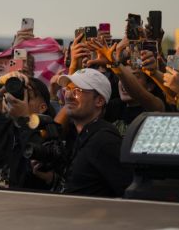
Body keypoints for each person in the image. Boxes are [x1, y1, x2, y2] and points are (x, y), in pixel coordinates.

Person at [51, 68, 132, 197]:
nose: (69, 95)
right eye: (68, 89)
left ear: (99, 101)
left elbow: (128, 192)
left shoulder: (105, 141)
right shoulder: (81, 135)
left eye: (78, 91)